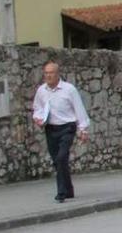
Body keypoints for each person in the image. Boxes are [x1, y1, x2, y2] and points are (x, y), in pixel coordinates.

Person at [32, 60, 90, 203]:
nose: (48, 76)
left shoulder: (69, 89)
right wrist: (38, 118)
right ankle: (69, 189)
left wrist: (83, 129)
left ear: (58, 74)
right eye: (46, 73)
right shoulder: (41, 91)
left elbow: (79, 108)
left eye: (51, 73)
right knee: (57, 161)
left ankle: (61, 193)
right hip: (51, 128)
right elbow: (37, 108)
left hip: (67, 127)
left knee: (61, 157)